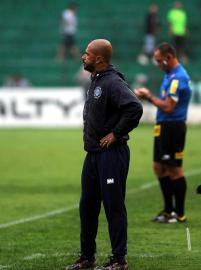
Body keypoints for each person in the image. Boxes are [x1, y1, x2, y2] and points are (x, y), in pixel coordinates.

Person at [66, 39, 143, 270]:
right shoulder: (96, 80)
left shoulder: (111, 82)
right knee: (87, 206)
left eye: (87, 54)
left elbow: (135, 108)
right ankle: (87, 258)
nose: (83, 57)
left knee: (113, 206)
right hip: (93, 155)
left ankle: (119, 260)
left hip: (111, 154)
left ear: (99, 58)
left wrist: (116, 133)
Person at [134, 42, 192, 224]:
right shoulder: (170, 75)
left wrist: (149, 97)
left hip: (173, 127)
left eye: (159, 61)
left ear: (168, 58)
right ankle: (168, 210)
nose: (158, 64)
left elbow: (168, 106)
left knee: (174, 168)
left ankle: (179, 213)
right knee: (159, 167)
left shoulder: (177, 78)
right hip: (163, 127)